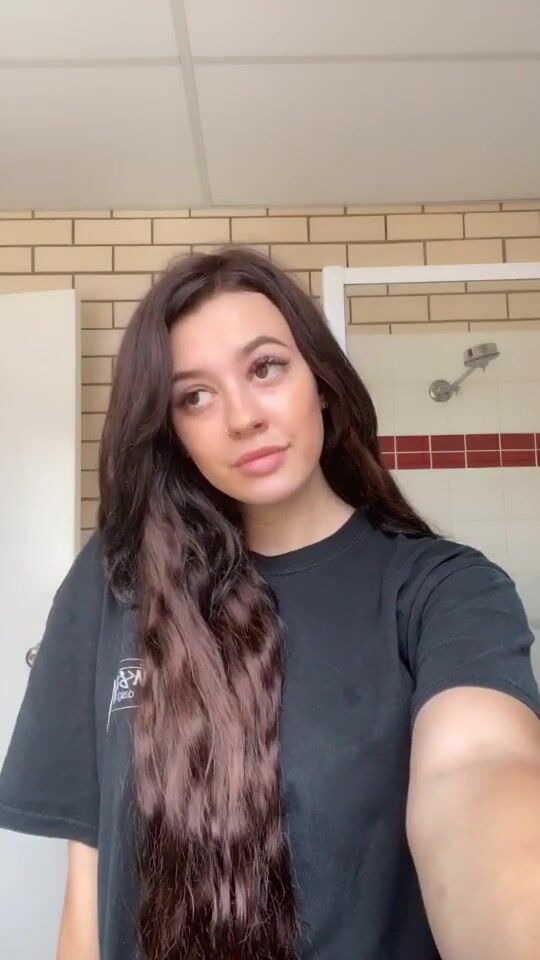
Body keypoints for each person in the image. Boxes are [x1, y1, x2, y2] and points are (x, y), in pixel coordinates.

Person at [1, 247, 540, 960]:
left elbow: (477, 770)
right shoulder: (116, 580)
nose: (242, 417)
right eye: (194, 397)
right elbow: (88, 885)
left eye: (265, 368)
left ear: (321, 382)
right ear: (172, 432)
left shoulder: (444, 589)